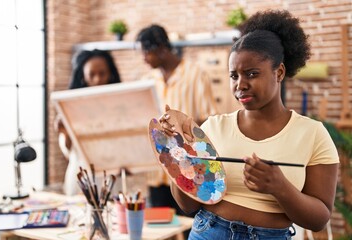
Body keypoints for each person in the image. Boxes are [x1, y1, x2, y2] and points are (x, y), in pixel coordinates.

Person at [160, 10, 339, 240]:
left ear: (280, 72)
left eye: (252, 74)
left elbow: (319, 219)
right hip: (208, 232)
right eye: (234, 76)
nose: (240, 85)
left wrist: (279, 187)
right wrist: (178, 156)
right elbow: (188, 206)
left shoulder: (313, 134)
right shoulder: (213, 128)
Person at [136, 24, 219, 217]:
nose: (144, 59)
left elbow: (208, 120)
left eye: (146, 52)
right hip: (157, 172)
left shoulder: (195, 75)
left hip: (187, 168)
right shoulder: (147, 80)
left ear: (161, 49)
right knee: (160, 227)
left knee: (188, 225)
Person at [55, 49, 121, 195]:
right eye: (92, 74)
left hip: (111, 178)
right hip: (80, 176)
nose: (97, 79)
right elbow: (68, 152)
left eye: (102, 73)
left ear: (110, 74)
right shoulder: (71, 105)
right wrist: (65, 133)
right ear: (83, 76)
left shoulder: (119, 105)